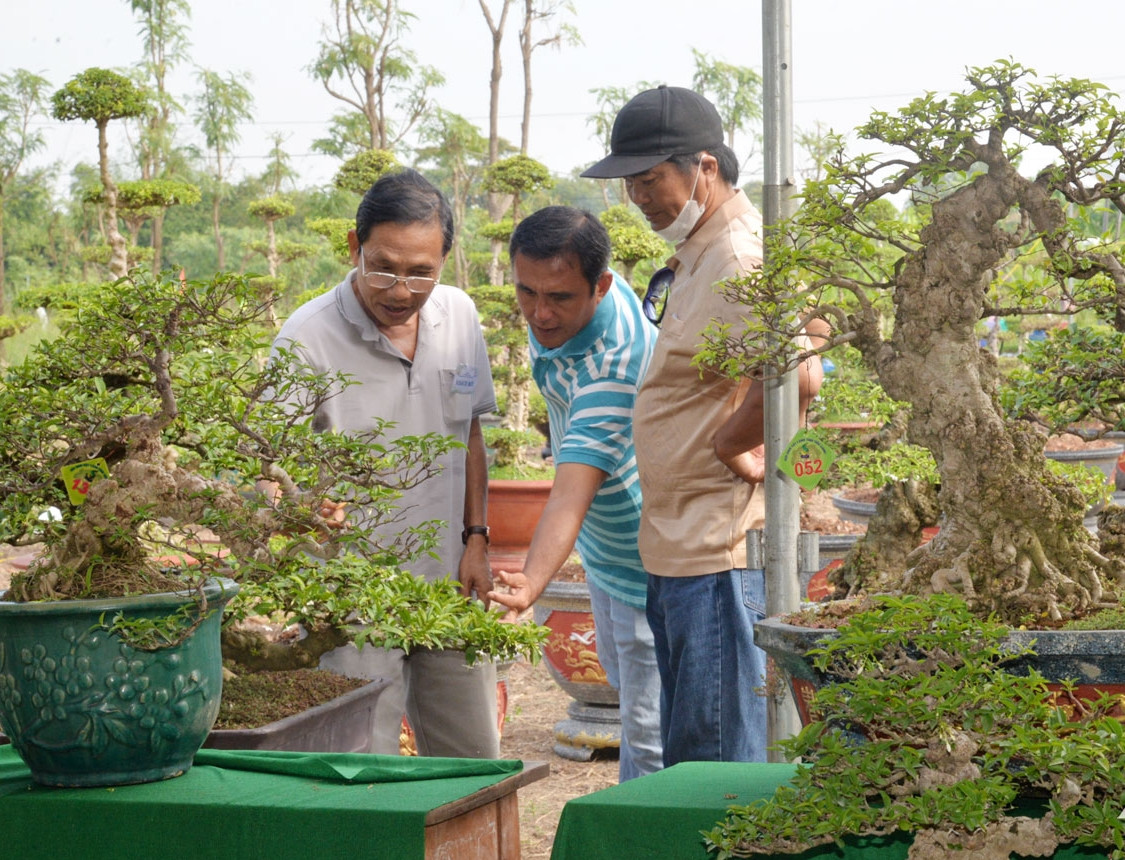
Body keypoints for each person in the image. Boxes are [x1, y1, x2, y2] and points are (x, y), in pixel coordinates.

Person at [581, 85, 823, 765]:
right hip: (682, 546)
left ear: (704, 167)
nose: (639, 197)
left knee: (715, 763)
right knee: (696, 747)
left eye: (650, 177)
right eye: (629, 182)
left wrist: (729, 441)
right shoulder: (702, 247)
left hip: (717, 551)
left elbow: (799, 370)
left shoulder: (734, 256)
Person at [271, 168, 499, 759]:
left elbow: (469, 432)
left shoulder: (460, 317)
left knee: (473, 761)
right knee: (357, 765)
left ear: (445, 258)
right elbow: (264, 468)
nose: (401, 289)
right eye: (383, 266)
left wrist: (476, 538)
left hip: (449, 584)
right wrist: (299, 505)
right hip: (353, 598)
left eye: (422, 271)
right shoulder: (307, 339)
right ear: (354, 246)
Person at [487, 205, 662, 780]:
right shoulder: (572, 306)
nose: (540, 313)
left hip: (647, 566)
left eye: (559, 298)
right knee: (626, 696)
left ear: (601, 286)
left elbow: (568, 491)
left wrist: (530, 585)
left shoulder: (615, 367)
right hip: (606, 554)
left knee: (649, 737)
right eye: (526, 292)